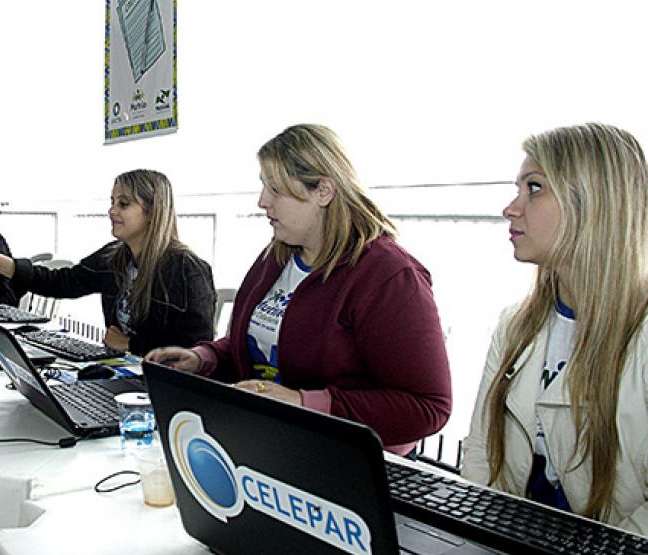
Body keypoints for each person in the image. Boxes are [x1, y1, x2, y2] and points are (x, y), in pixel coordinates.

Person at [147, 124, 451, 455]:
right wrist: (202, 359)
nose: (262, 201)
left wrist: (303, 403)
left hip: (347, 460)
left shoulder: (388, 275)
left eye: (275, 189)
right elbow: (259, 347)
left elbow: (428, 407)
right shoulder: (276, 256)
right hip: (276, 441)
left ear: (323, 191)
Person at [461, 123, 648, 535]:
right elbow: (480, 455)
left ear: (594, 203)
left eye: (534, 188)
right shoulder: (515, 326)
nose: (511, 208)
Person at [0, 169, 216, 355]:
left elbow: (197, 350)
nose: (112, 211)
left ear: (152, 212)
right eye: (112, 202)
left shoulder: (186, 268)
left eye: (123, 204)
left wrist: (131, 345)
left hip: (160, 386)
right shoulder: (115, 256)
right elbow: (61, 282)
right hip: (125, 370)